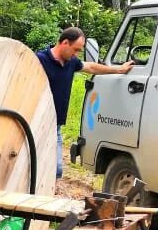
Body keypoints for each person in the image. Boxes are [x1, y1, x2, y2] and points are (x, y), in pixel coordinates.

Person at [36, 27, 133, 178]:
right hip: (36, 122)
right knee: (36, 166)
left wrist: (119, 70)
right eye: (75, 50)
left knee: (56, 170)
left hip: (55, 125)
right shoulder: (40, 60)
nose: (76, 54)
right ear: (65, 42)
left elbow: (91, 66)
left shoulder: (71, 62)